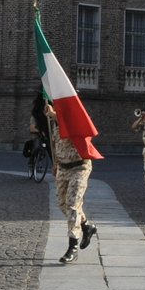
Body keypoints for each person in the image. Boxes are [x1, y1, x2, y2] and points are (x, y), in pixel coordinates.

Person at [40, 96, 97, 264]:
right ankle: (86, 225)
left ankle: (73, 246)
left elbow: (72, 129)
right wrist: (56, 164)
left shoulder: (78, 122)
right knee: (63, 204)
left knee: (72, 204)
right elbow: (57, 146)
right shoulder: (56, 127)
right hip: (63, 168)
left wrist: (54, 115)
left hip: (79, 168)